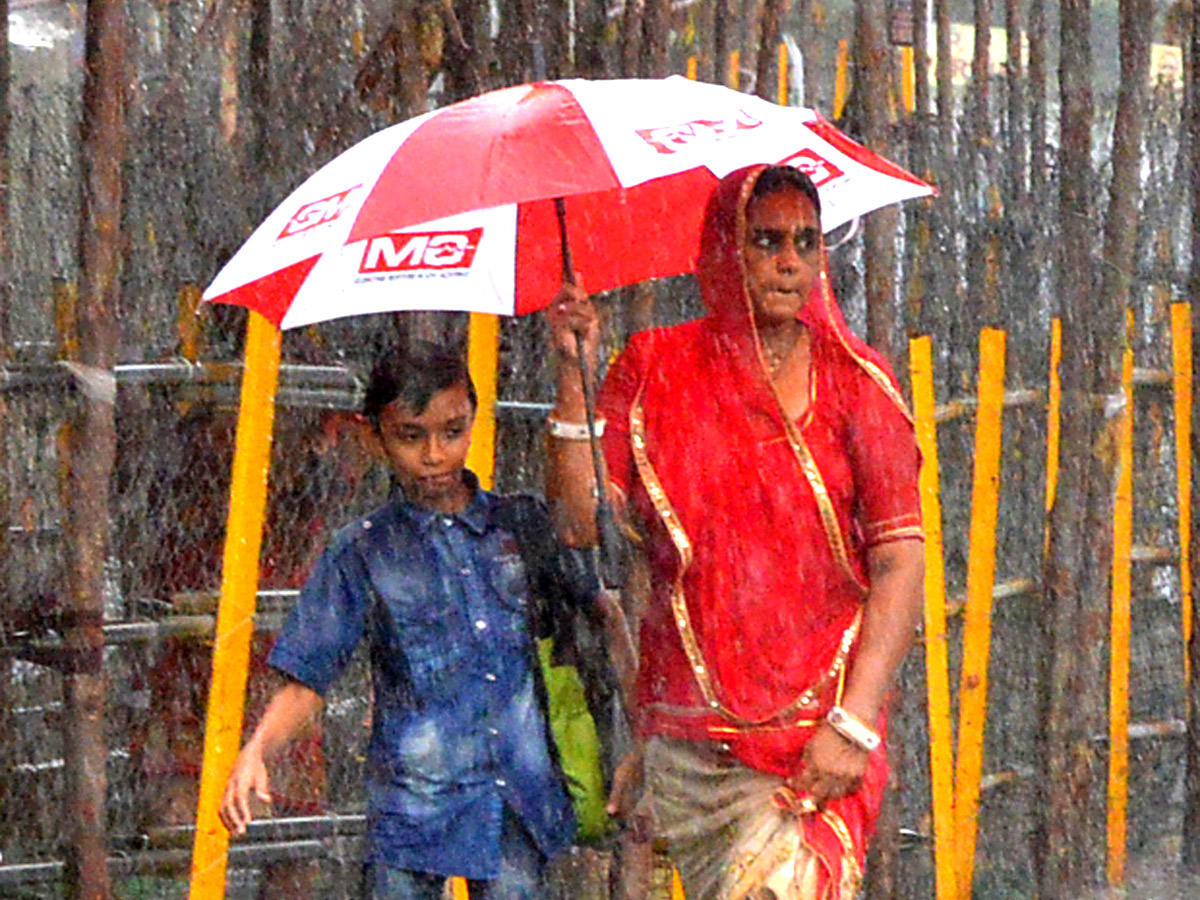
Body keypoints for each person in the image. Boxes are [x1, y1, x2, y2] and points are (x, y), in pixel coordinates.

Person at [544, 164, 925, 900]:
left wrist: (853, 725)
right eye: (767, 240)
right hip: (689, 747)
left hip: (817, 739)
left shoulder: (857, 385)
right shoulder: (654, 368)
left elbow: (900, 563)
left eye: (806, 243)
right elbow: (577, 521)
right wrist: (574, 376)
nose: (790, 261)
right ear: (725, 248)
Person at [219, 340, 603, 900]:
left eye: (452, 431)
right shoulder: (364, 552)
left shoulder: (521, 528)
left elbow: (601, 615)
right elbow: (310, 673)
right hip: (413, 814)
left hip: (518, 804)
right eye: (410, 435)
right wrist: (256, 751)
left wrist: (633, 744)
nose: (434, 455)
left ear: (473, 424)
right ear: (374, 438)